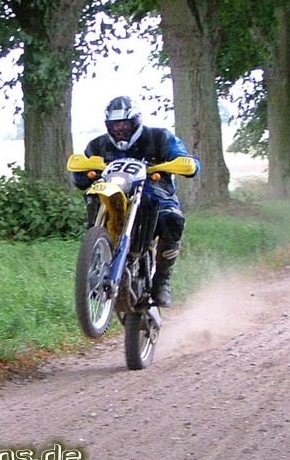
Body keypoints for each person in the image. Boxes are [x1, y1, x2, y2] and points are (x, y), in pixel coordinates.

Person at [72, 96, 200, 308]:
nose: (119, 129)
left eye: (124, 124)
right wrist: (83, 172)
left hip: (156, 194)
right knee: (93, 197)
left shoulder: (160, 137)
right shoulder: (97, 145)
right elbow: (80, 177)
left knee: (173, 220)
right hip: (114, 193)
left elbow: (184, 158)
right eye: (115, 125)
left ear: (136, 121)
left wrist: (186, 164)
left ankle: (162, 282)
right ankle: (95, 258)